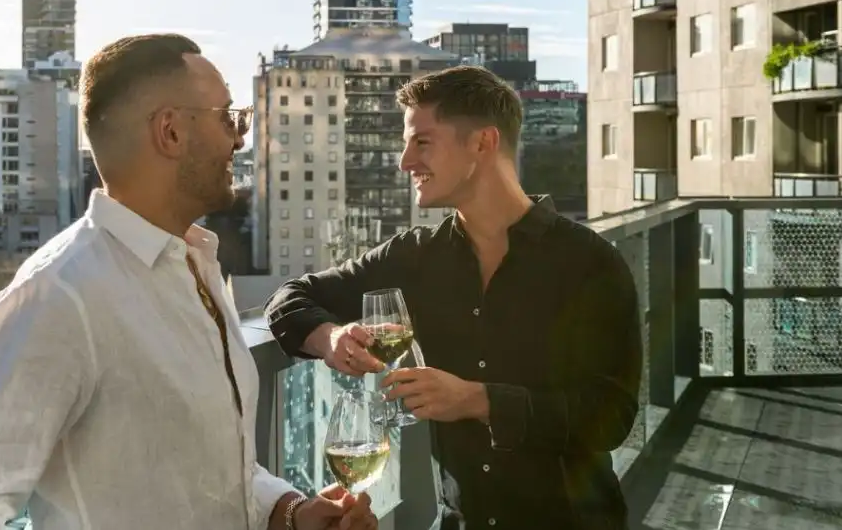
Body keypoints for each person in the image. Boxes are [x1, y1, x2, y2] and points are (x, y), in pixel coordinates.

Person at [0, 34, 378, 530]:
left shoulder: (196, 265)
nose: (239, 138)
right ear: (170, 131)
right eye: (227, 118)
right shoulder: (61, 295)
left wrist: (289, 511)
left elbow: (207, 472)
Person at [264, 66, 641, 529]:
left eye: (422, 142)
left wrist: (477, 400)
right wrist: (332, 337)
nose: (405, 162)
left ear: (483, 142)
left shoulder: (590, 262)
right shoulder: (414, 256)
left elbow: (611, 417)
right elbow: (290, 298)